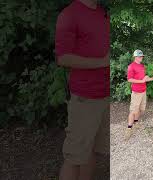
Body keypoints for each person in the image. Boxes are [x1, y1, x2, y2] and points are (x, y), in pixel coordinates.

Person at [54, 0, 110, 179]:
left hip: (106, 94)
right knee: (74, 156)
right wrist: (101, 62)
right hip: (85, 98)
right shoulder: (69, 14)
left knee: (92, 149)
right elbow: (63, 58)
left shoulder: (102, 12)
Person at [125, 50, 153, 140]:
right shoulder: (131, 67)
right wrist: (141, 81)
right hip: (136, 92)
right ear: (135, 57)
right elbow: (129, 79)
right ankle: (129, 129)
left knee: (141, 109)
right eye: (139, 56)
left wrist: (152, 78)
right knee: (133, 111)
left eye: (142, 56)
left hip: (143, 91)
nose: (141, 58)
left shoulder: (141, 66)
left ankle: (136, 123)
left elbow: (144, 78)